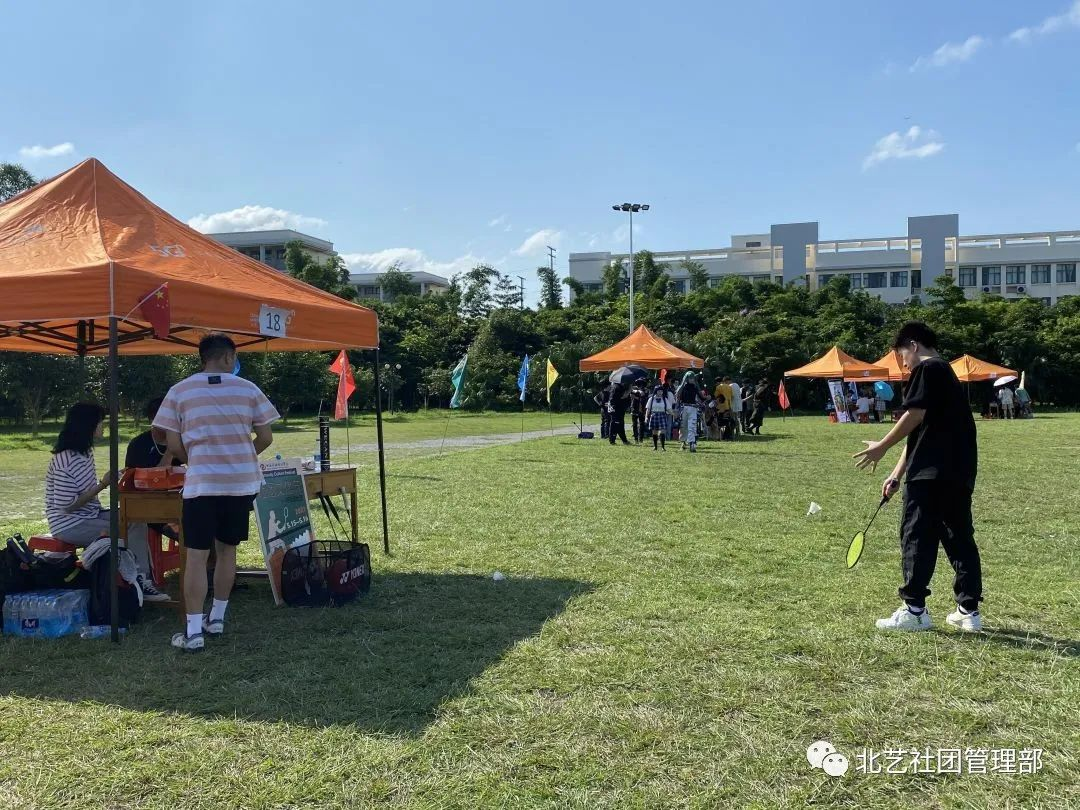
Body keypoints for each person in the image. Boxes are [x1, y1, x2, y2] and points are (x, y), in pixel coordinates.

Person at [853, 321, 982, 633]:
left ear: (913, 345)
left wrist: (881, 446)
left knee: (916, 536)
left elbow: (914, 415)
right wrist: (896, 474)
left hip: (930, 475)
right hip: (957, 472)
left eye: (902, 356)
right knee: (959, 539)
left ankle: (914, 610)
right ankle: (968, 611)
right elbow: (919, 434)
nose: (904, 364)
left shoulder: (927, 368)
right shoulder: (947, 374)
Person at [155, 333, 280, 652]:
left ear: (203, 358)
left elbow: (172, 444)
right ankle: (218, 618)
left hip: (202, 484)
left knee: (196, 557)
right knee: (227, 551)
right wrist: (242, 456)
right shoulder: (248, 389)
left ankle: (193, 631)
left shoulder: (180, 391)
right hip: (240, 484)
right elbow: (266, 437)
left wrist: (195, 460)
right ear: (228, 357)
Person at [45, 403, 168, 601]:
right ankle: (136, 580)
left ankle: (141, 578)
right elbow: (66, 506)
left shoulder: (85, 453)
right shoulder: (66, 460)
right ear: (88, 426)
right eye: (100, 423)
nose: (103, 427)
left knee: (135, 517)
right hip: (70, 524)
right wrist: (103, 484)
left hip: (90, 515)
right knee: (124, 529)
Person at [124, 397, 182, 588]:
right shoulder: (139, 445)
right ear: (154, 420)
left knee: (211, 523)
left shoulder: (183, 441)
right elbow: (143, 483)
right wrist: (171, 452)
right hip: (149, 508)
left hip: (180, 502)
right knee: (190, 530)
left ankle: (211, 569)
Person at [676, 371, 701, 452]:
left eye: (693, 378)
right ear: (686, 379)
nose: (692, 379)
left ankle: (692, 444)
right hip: (683, 408)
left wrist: (704, 398)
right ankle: (683, 443)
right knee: (683, 426)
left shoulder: (695, 387)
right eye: (690, 378)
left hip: (693, 408)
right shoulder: (682, 388)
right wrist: (676, 409)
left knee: (692, 426)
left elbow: (700, 397)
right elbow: (677, 398)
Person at [644, 384, 672, 450]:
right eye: (659, 391)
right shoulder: (651, 399)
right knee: (654, 432)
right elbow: (648, 409)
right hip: (653, 415)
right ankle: (655, 447)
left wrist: (674, 414)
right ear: (656, 391)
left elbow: (669, 409)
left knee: (662, 432)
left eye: (661, 391)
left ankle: (663, 447)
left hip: (662, 415)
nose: (660, 392)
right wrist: (646, 417)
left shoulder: (665, 399)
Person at [629, 380, 648, 444]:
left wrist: (636, 396)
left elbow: (643, 396)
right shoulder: (634, 389)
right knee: (634, 424)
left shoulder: (645, 390)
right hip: (634, 408)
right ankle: (636, 438)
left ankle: (640, 438)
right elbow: (631, 393)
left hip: (641, 408)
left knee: (641, 424)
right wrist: (637, 391)